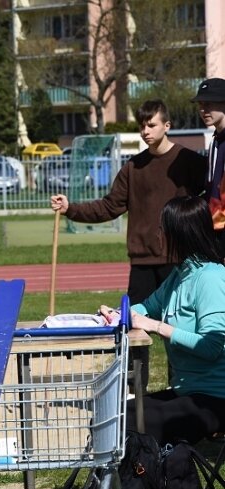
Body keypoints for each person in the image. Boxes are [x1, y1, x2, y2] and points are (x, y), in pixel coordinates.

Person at [50, 99, 207, 391]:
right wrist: (71, 208)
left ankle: (185, 392)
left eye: (152, 125)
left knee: (180, 332)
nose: (146, 131)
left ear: (167, 126)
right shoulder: (133, 168)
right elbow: (109, 207)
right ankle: (136, 399)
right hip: (143, 265)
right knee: (134, 332)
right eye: (142, 126)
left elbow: (210, 202)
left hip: (180, 263)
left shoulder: (192, 163)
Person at [99, 196, 225, 445]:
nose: (157, 235)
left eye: (162, 230)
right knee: (117, 413)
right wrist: (116, 315)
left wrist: (157, 327)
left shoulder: (210, 279)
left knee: (132, 423)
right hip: (186, 392)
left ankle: (148, 483)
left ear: (179, 235)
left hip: (214, 399)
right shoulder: (179, 276)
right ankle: (121, 485)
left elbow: (212, 346)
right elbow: (145, 307)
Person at [192, 77, 225, 252]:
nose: (203, 110)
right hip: (216, 231)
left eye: (209, 103)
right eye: (200, 104)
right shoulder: (215, 142)